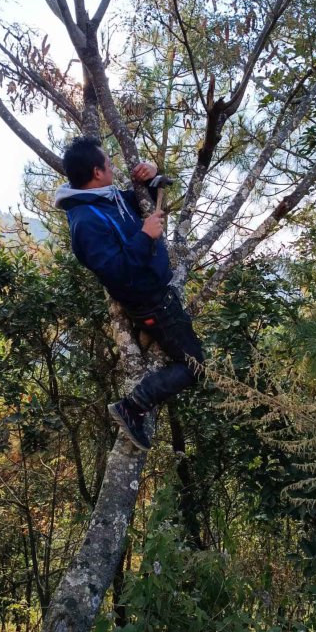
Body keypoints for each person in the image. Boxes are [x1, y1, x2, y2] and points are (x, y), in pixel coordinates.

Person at [55, 136, 204, 451]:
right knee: (194, 365)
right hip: (150, 301)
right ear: (97, 172)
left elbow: (134, 202)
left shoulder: (104, 197)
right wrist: (145, 235)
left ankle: (135, 403)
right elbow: (116, 272)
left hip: (157, 290)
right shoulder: (84, 223)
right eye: (108, 163)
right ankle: (133, 406)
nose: (113, 166)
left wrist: (151, 178)